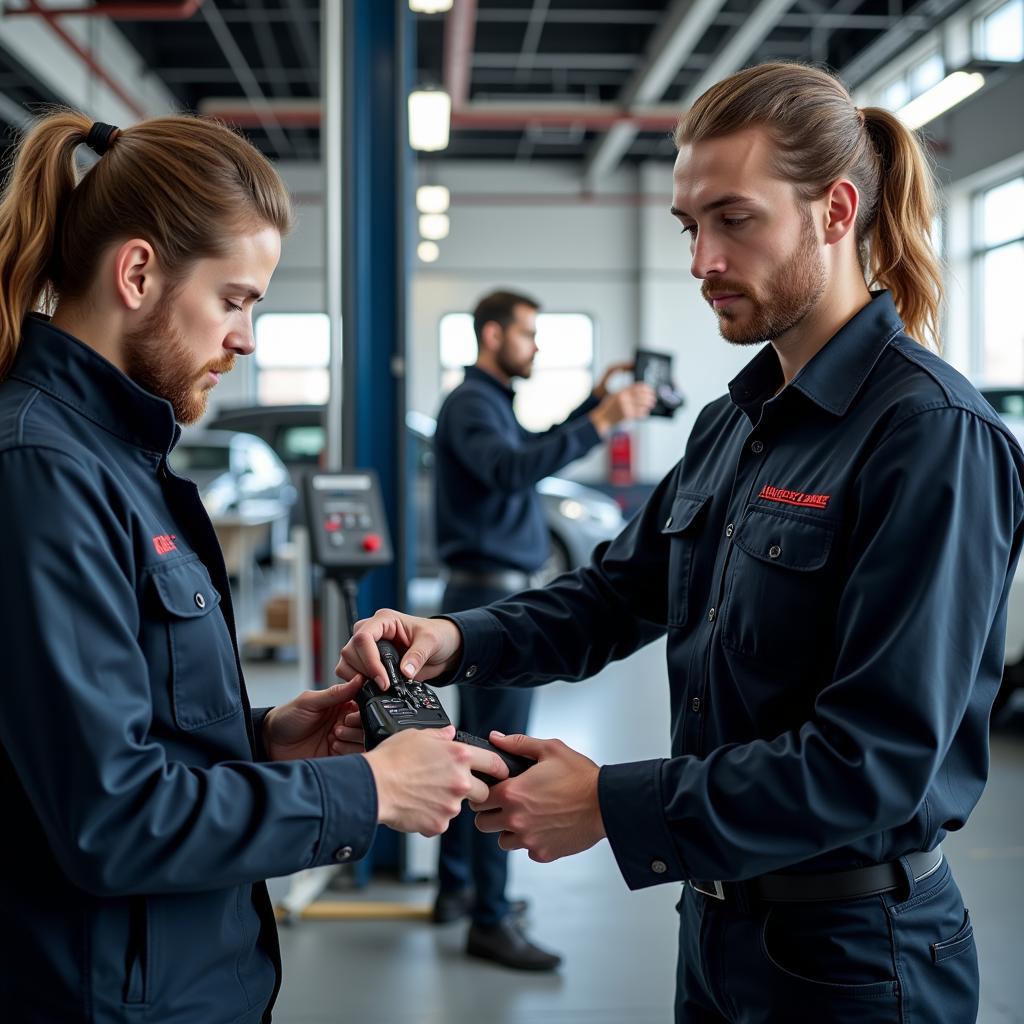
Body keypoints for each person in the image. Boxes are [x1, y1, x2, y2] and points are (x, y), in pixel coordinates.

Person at [337, 62, 1024, 1023]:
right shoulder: (732, 424)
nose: (701, 258)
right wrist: (455, 640)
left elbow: (874, 759)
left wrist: (613, 808)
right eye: (689, 226)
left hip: (858, 960)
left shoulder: (930, 435)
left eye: (734, 220)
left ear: (835, 211)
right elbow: (617, 594)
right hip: (715, 929)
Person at [0, 113, 508, 1024]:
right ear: (139, 272)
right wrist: (369, 790)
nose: (245, 339)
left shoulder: (119, 461)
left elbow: (122, 729)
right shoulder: (42, 472)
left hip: (177, 974)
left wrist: (269, 737)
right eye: (234, 300)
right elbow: (109, 819)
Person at [430, 289, 656, 970]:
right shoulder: (470, 405)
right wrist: (602, 423)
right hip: (487, 596)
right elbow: (512, 469)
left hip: (491, 592)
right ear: (492, 335)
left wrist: (593, 405)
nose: (534, 346)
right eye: (527, 335)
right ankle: (489, 920)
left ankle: (458, 891)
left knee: (469, 749)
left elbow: (526, 446)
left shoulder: (490, 404)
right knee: (498, 761)